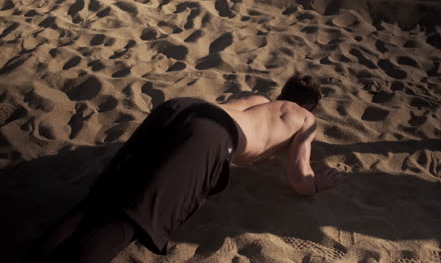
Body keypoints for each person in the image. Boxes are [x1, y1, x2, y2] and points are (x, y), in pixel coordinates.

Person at [23, 73, 344, 263]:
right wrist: (319, 184)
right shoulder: (305, 118)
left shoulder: (255, 96)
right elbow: (300, 179)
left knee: (101, 203)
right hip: (212, 133)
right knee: (131, 219)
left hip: (181, 107)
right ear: (311, 105)